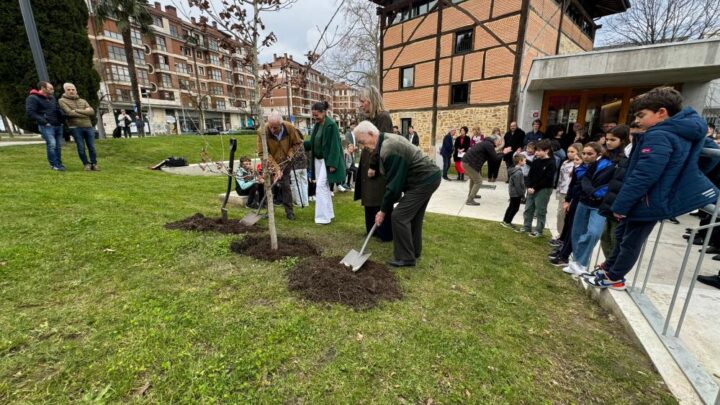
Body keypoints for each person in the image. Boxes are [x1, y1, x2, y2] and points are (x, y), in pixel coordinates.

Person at [585, 87, 719, 290]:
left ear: (661, 112)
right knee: (622, 234)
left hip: (647, 200)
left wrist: (621, 205)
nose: (637, 120)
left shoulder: (659, 135)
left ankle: (615, 277)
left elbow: (644, 175)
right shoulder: (681, 132)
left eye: (641, 115)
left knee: (630, 240)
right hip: (648, 197)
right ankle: (610, 267)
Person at [353, 120, 441, 267]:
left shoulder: (390, 148)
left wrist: (382, 210)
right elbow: (376, 155)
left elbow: (394, 187)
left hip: (424, 180)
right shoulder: (382, 140)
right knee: (413, 216)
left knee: (399, 216)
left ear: (370, 134)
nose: (363, 146)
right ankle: (414, 251)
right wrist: (374, 166)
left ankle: (406, 257)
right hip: (426, 178)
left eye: (362, 142)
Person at [562, 142, 614, 276]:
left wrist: (594, 192)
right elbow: (578, 183)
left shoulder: (607, 165)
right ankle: (577, 262)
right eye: (584, 153)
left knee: (593, 232)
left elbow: (609, 185)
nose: (586, 156)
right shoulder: (581, 167)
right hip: (582, 202)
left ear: (598, 154)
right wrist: (569, 199)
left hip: (598, 204)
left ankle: (581, 262)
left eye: (590, 154)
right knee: (576, 232)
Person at [354, 85, 394, 241]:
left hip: (377, 165)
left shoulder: (383, 117)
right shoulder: (368, 118)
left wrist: (373, 166)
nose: (361, 104)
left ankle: (385, 232)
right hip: (367, 162)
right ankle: (372, 230)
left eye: (363, 101)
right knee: (369, 199)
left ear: (371, 100)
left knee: (379, 198)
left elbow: (382, 143)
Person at [304, 101, 345, 224]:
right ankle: (329, 214)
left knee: (321, 186)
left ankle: (322, 217)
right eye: (313, 115)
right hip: (317, 160)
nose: (314, 117)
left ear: (323, 112)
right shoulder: (317, 125)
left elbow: (335, 146)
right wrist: (301, 144)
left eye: (316, 115)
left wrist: (332, 163)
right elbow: (313, 142)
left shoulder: (331, 125)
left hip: (326, 160)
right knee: (324, 187)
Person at [260, 111, 304, 220]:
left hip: (285, 162)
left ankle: (289, 212)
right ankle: (269, 211)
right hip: (269, 163)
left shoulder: (289, 128)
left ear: (281, 124)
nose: (272, 130)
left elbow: (297, 143)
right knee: (268, 186)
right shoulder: (262, 131)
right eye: (271, 127)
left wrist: (290, 153)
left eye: (275, 128)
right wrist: (276, 168)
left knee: (286, 186)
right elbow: (262, 153)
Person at [597, 125, 631, 264]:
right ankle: (608, 264)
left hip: (617, 204)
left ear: (623, 140)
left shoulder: (626, 158)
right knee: (605, 236)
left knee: (614, 237)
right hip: (608, 201)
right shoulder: (606, 156)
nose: (609, 142)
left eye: (613, 139)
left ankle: (611, 268)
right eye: (607, 139)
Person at [517, 139, 556, 237]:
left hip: (543, 189)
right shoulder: (536, 161)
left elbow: (547, 179)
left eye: (539, 150)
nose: (536, 153)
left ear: (546, 151)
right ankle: (526, 227)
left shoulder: (551, 163)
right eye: (536, 150)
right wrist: (529, 186)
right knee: (528, 208)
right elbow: (530, 175)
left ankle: (538, 230)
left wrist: (535, 187)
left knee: (540, 210)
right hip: (531, 188)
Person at [58, 83, 99, 171]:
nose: (71, 91)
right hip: (75, 127)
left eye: (73, 89)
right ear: (65, 90)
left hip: (88, 126)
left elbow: (91, 112)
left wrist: (76, 110)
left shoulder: (83, 101)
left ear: (76, 90)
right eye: (68, 90)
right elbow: (69, 113)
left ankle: (94, 164)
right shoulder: (62, 100)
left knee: (92, 147)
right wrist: (85, 112)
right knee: (81, 147)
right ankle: (86, 164)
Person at [26, 81, 65, 171]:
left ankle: (59, 164)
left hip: (58, 125)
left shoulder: (52, 98)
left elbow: (56, 109)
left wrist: (61, 120)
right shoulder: (33, 98)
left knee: (58, 146)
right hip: (47, 126)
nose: (53, 90)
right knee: (52, 144)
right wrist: (44, 122)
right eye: (50, 88)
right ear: (43, 88)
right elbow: (30, 112)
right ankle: (54, 165)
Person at [461, 134, 511, 205]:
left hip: (468, 162)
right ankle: (470, 200)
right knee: (478, 181)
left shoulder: (487, 143)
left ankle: (472, 194)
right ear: (495, 140)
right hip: (469, 163)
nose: (500, 143)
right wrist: (504, 153)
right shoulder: (489, 145)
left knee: (473, 179)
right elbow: (495, 158)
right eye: (499, 141)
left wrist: (502, 153)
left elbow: (492, 156)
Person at [553, 143, 581, 239]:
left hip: (570, 193)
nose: (569, 154)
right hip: (563, 191)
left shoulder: (579, 164)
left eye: (572, 152)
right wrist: (558, 191)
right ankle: (560, 234)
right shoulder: (565, 163)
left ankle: (563, 236)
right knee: (560, 214)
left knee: (565, 215)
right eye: (568, 151)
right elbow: (560, 179)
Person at [501, 154, 527, 229]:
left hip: (513, 193)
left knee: (511, 207)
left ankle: (505, 221)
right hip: (516, 194)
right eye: (524, 161)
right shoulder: (518, 173)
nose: (525, 162)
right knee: (515, 208)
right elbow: (518, 185)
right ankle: (507, 222)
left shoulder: (515, 170)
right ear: (520, 161)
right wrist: (522, 195)